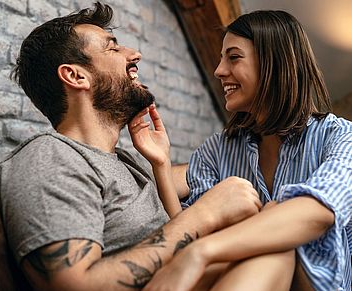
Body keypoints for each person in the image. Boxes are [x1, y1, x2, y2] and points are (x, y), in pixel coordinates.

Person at [0, 2, 263, 290]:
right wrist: (203, 215)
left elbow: (186, 212)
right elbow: (73, 284)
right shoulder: (49, 158)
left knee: (270, 240)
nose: (135, 54)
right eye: (112, 48)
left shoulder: (122, 162)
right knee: (266, 255)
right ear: (76, 76)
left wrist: (161, 163)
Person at [144, 10, 352, 291]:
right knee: (268, 232)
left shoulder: (341, 138)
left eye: (233, 57)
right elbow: (188, 228)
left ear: (273, 63)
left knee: (277, 230)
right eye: (220, 58)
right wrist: (161, 164)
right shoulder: (217, 150)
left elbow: (318, 212)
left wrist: (202, 251)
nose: (218, 70)